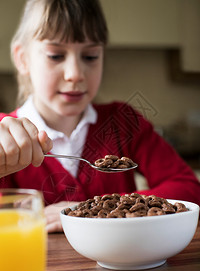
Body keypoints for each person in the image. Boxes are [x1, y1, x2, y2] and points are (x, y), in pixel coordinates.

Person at [0, 0, 199, 233]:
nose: (75, 74)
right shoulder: (7, 136)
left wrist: (90, 211)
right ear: (22, 58)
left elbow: (189, 189)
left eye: (91, 56)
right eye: (55, 55)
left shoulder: (123, 122)